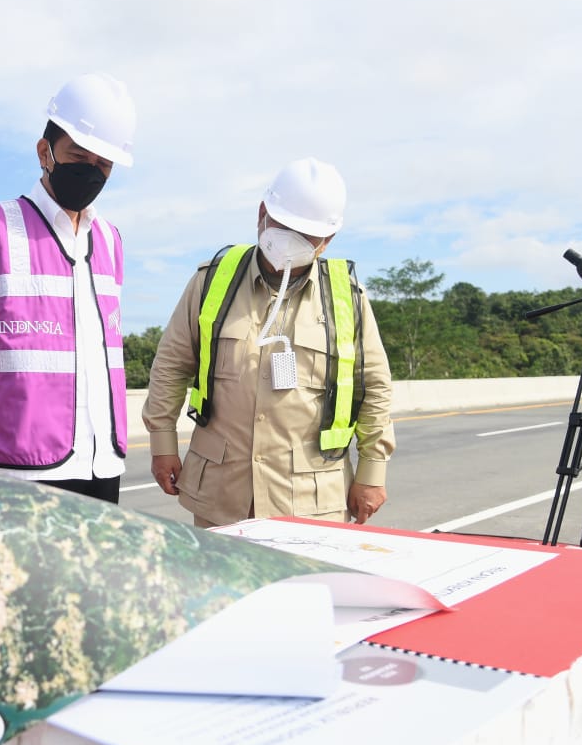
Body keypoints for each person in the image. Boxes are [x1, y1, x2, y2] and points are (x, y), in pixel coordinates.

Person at [142, 157, 395, 528]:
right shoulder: (211, 281)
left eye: (306, 234)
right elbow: (171, 365)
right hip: (221, 495)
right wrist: (162, 444)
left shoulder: (347, 297)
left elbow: (374, 386)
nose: (291, 240)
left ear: (327, 240)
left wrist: (372, 471)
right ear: (262, 213)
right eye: (284, 225)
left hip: (310, 502)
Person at [0, 72, 136, 504]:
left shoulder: (110, 239)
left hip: (102, 462)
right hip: (18, 469)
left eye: (103, 165)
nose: (91, 172)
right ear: (44, 151)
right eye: (80, 156)